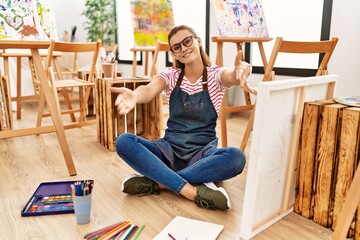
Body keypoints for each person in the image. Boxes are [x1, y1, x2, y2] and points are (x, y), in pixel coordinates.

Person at [110, 25, 254, 211]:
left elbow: (232, 76)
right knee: (123, 141)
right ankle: (192, 192)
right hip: (168, 150)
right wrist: (135, 96)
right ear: (173, 54)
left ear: (198, 41)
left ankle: (158, 182)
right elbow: (149, 89)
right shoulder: (170, 76)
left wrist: (244, 69)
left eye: (187, 41)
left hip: (203, 155)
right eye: (176, 47)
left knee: (236, 158)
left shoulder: (215, 75)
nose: (183, 48)